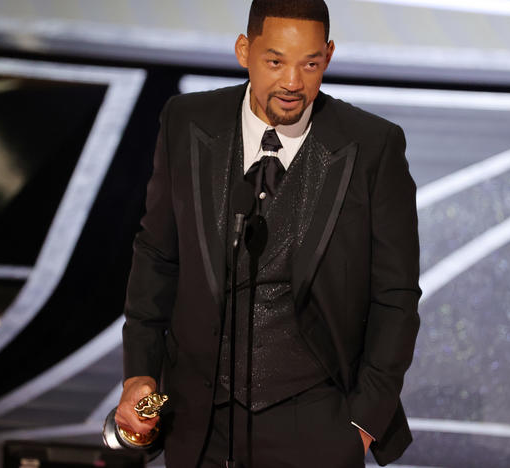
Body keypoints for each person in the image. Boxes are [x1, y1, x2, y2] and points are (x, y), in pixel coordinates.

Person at [115, 1, 421, 466]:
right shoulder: (186, 121)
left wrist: (361, 425)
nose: (293, 83)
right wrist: (139, 373)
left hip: (316, 423)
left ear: (329, 56)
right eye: (275, 61)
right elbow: (157, 255)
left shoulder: (373, 146)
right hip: (198, 423)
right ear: (244, 50)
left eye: (310, 64)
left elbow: (396, 295)